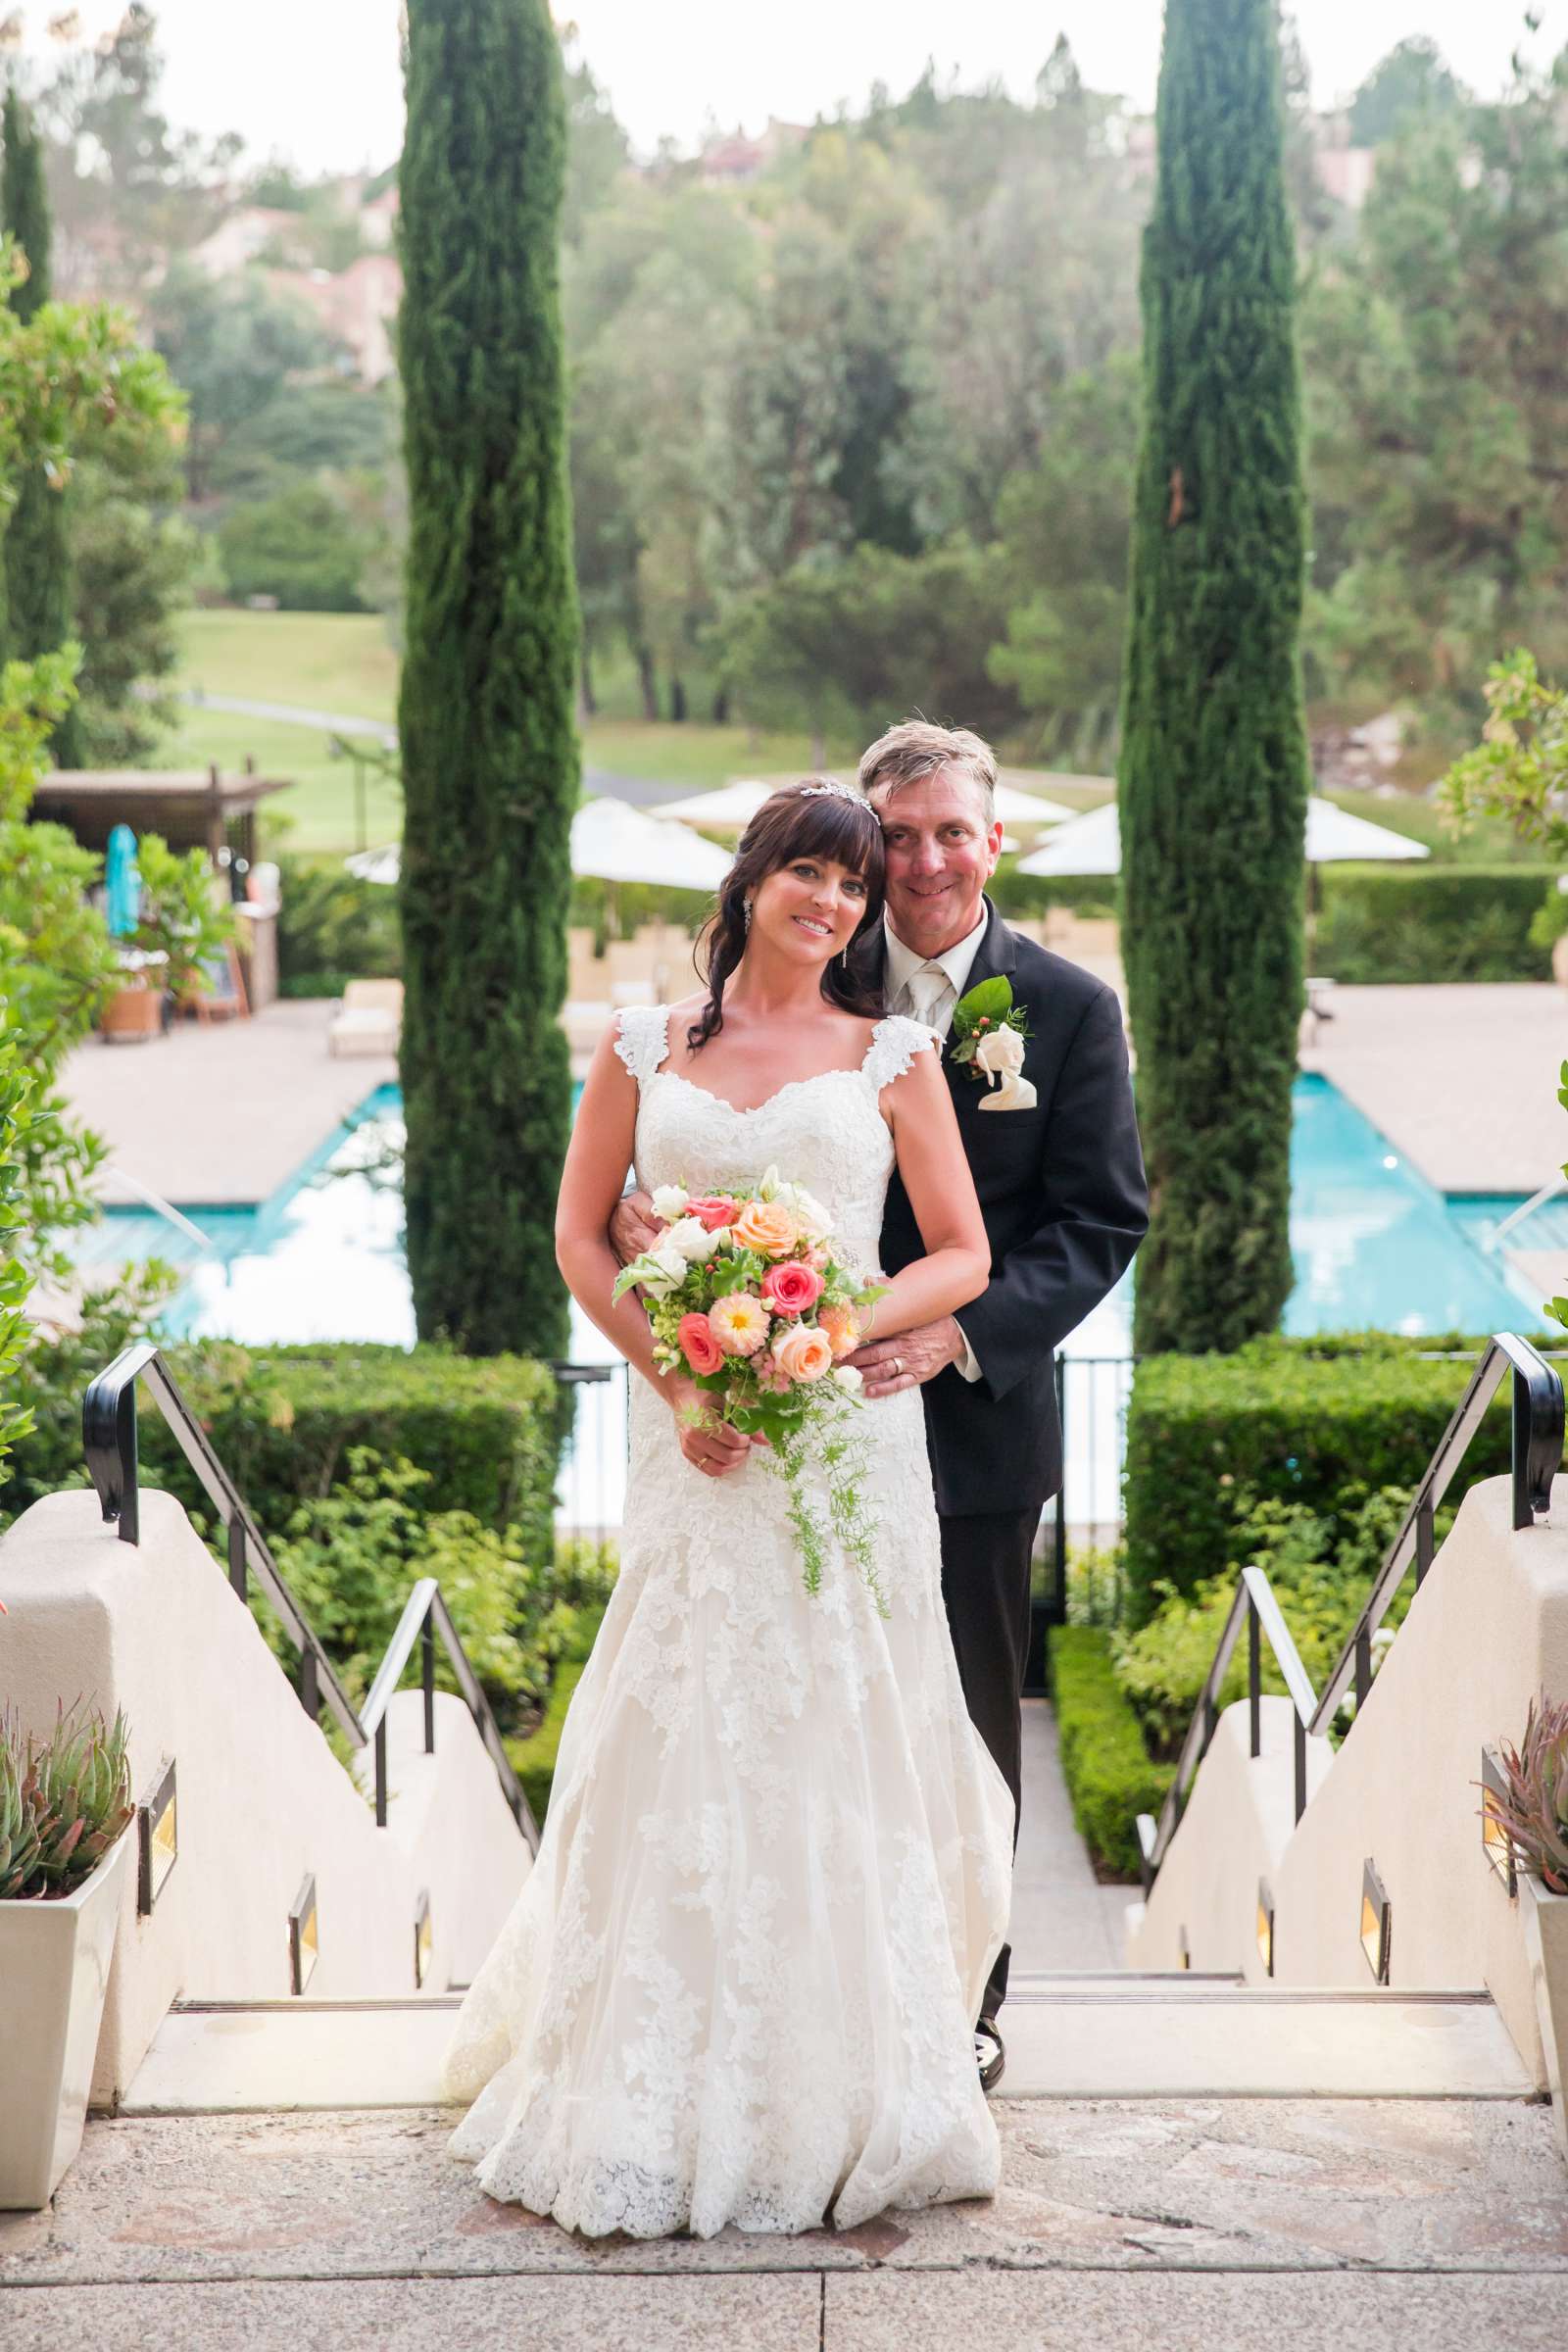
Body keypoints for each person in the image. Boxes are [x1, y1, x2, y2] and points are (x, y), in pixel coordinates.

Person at [443, 780, 1014, 2240]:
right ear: (752, 882)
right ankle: (646, 2084)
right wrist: (684, 1382)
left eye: (852, 889)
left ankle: (851, 2081)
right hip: (691, 1441)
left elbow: (961, 1253)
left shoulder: (891, 1053)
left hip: (842, 1442)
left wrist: (824, 1330)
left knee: (839, 1720)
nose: (831, 905)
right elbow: (580, 1235)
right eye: (807, 878)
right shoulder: (643, 1047)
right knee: (689, 1716)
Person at [846, 720, 1149, 2090]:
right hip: (809, 1424)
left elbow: (1099, 1221)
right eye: (897, 835)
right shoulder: (803, 973)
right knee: (815, 1709)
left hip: (977, 1428)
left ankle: (968, 2003)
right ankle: (835, 1984)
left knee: (971, 1724)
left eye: (948, 831)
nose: (923, 861)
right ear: (869, 841)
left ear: (993, 838)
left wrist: (957, 1337)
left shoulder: (1069, 1008)